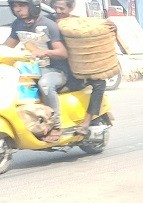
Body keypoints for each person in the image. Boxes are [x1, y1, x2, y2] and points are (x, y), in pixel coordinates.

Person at [5, 0, 70, 132]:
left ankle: (55, 125)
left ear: (33, 6)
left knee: (44, 84)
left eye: (22, 5)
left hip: (56, 71)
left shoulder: (47, 25)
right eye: (14, 6)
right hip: (32, 69)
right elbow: (8, 46)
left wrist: (44, 52)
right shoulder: (18, 24)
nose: (17, 9)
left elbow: (63, 53)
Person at [51, 0, 114, 135]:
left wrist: (112, 27)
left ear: (72, 7)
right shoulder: (49, 22)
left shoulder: (78, 24)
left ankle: (86, 121)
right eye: (55, 7)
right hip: (55, 68)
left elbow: (96, 35)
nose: (57, 11)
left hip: (76, 71)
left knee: (99, 83)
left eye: (61, 8)